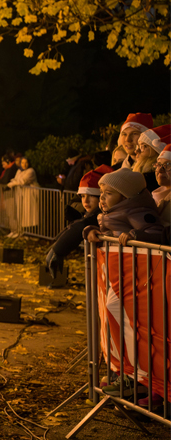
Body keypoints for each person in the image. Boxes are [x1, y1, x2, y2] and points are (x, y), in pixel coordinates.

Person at [83, 166, 167, 402]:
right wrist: (91, 230)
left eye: (108, 193)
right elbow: (104, 230)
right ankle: (124, 372)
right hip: (117, 276)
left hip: (135, 279)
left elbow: (155, 231)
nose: (102, 198)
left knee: (132, 327)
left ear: (126, 195)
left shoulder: (136, 210)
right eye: (102, 192)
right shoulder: (113, 212)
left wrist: (135, 236)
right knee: (113, 322)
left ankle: (136, 377)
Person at [44, 165, 111, 283]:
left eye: (91, 196)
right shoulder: (88, 214)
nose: (85, 201)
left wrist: (59, 249)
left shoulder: (102, 214)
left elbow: (83, 224)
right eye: (83, 196)